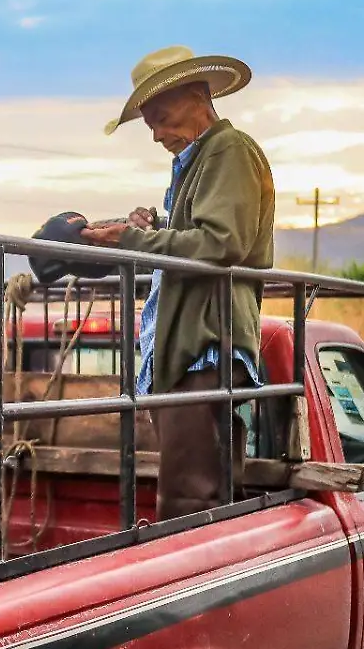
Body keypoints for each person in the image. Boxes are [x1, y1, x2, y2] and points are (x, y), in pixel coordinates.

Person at [81, 45, 276, 520]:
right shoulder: (202, 157)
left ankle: (197, 587)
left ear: (198, 96)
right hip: (188, 343)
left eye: (163, 118)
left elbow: (220, 242)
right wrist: (152, 228)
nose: (157, 135)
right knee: (196, 487)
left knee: (190, 498)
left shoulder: (229, 150)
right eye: (150, 124)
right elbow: (199, 235)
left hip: (204, 342)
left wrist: (132, 239)